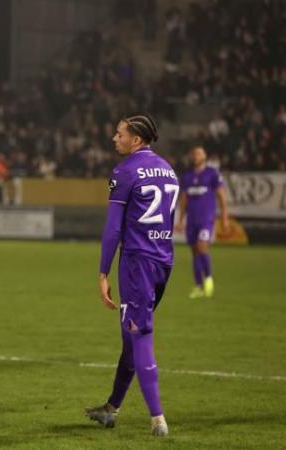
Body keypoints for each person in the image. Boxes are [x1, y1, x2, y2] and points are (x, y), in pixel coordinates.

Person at [86, 113, 178, 437]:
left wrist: (102, 272)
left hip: (137, 263)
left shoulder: (125, 171)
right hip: (164, 260)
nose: (114, 137)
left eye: (120, 133)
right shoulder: (168, 170)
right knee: (131, 335)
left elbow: (112, 229)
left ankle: (158, 420)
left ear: (136, 140)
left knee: (139, 336)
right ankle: (111, 408)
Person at [178, 146, 229, 298]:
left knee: (201, 247)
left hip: (206, 218)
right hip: (191, 220)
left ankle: (208, 279)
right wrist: (181, 220)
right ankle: (198, 286)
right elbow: (184, 199)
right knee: (194, 252)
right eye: (194, 153)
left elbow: (221, 196)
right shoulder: (187, 176)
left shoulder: (212, 174)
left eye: (199, 153)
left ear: (205, 156)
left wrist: (225, 218)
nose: (196, 156)